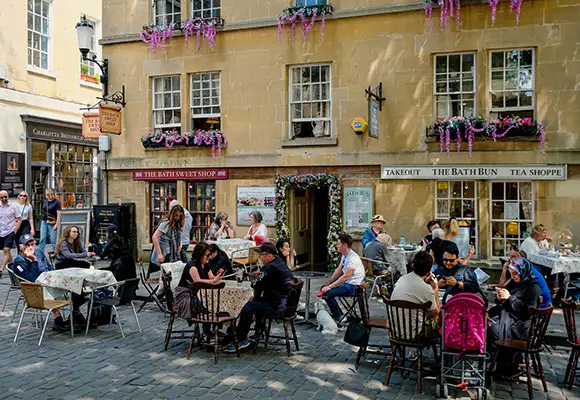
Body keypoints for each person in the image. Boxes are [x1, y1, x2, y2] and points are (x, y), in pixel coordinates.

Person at [224, 242, 296, 353]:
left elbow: (256, 284)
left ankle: (241, 339)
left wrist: (254, 277)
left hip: (277, 306)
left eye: (261, 255)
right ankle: (257, 332)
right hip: (285, 302)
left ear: (269, 256)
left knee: (247, 307)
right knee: (256, 301)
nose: (259, 257)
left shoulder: (271, 268)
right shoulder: (279, 263)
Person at [488, 257, 542, 377]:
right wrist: (500, 297)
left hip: (520, 325)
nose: (513, 277)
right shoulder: (514, 283)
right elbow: (505, 302)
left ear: (523, 272)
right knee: (486, 323)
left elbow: (527, 311)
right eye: (511, 274)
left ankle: (503, 364)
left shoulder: (533, 288)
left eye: (515, 274)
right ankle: (493, 362)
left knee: (492, 329)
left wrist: (509, 298)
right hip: (509, 318)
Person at [12, 234, 67, 330]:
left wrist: (58, 275)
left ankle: (76, 314)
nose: (30, 247)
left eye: (32, 244)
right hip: (35, 288)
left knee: (74, 285)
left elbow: (49, 267)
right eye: (27, 245)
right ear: (21, 247)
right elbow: (31, 280)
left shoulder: (39, 252)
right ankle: (57, 317)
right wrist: (34, 260)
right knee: (43, 287)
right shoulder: (19, 261)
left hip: (51, 281)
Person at [174, 242, 224, 327]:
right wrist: (214, 280)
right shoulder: (192, 266)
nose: (209, 257)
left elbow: (211, 277)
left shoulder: (205, 263)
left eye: (210, 255)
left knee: (214, 303)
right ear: (199, 254)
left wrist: (217, 275)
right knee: (207, 306)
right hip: (186, 295)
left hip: (197, 293)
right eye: (207, 255)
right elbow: (198, 282)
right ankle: (207, 333)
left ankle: (213, 330)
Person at [391, 251, 440, 335]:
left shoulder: (402, 279)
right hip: (415, 334)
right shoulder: (426, 288)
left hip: (395, 330)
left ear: (413, 266)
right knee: (439, 318)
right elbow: (434, 314)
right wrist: (435, 289)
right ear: (430, 270)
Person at [321, 232, 366, 322]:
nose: (337, 246)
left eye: (338, 244)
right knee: (323, 290)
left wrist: (330, 287)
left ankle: (339, 316)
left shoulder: (352, 259)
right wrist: (328, 282)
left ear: (345, 245)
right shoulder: (345, 255)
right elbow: (339, 270)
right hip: (348, 284)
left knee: (327, 294)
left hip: (353, 287)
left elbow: (345, 277)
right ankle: (338, 314)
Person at [150, 204, 184, 275]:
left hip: (173, 251)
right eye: (176, 215)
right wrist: (159, 254)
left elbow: (179, 235)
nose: (177, 218)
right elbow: (155, 237)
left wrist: (180, 244)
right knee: (166, 274)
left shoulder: (177, 224)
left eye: (179, 216)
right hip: (165, 252)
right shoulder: (166, 224)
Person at [0, 190, 21, 276]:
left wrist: (15, 229)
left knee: (6, 250)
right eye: (2, 197)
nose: (4, 198)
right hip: (1, 231)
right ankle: (13, 266)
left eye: (6, 196)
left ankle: (1, 269)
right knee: (6, 252)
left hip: (10, 231)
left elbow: (19, 219)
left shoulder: (13, 206)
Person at [39, 188, 62, 253]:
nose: (45, 194)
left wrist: (57, 224)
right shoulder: (45, 201)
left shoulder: (57, 202)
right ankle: (40, 255)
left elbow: (59, 214)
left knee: (53, 241)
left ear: (49, 193)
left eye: (46, 193)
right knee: (42, 239)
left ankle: (56, 256)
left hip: (52, 223)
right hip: (44, 221)